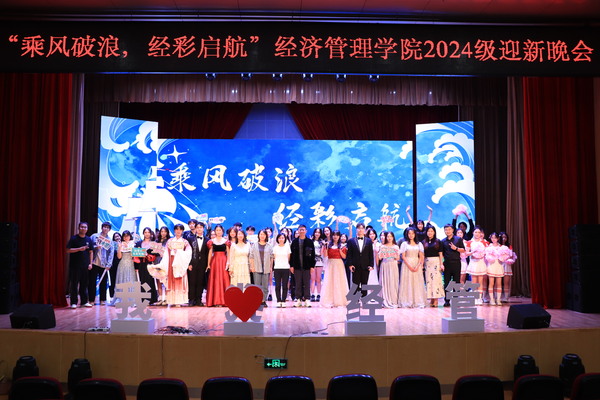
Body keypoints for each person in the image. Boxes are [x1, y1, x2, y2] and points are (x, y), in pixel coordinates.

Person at [66, 222, 95, 308]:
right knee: (74, 284)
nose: (83, 228)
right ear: (79, 228)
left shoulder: (88, 239)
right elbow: (67, 250)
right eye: (82, 227)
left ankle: (84, 302)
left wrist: (90, 263)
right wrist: (79, 249)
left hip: (85, 265)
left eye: (85, 227)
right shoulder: (74, 238)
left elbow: (91, 252)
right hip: (75, 265)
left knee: (84, 284)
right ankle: (73, 302)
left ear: (87, 229)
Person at [163, 224, 191, 306]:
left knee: (179, 280)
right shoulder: (170, 241)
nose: (178, 231)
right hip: (171, 262)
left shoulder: (185, 242)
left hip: (180, 263)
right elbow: (166, 253)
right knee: (171, 281)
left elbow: (189, 253)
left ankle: (179, 301)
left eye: (180, 229)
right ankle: (171, 300)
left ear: (182, 231)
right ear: (174, 231)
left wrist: (179, 252)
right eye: (177, 229)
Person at [399, 227, 426, 308]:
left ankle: (417, 301)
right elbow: (403, 256)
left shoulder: (419, 244)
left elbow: (421, 256)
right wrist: (410, 266)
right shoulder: (404, 244)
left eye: (412, 233)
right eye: (409, 233)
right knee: (407, 282)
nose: (411, 235)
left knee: (417, 282)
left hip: (417, 263)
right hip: (407, 264)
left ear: (415, 234)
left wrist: (418, 266)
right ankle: (407, 301)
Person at [320, 230, 348, 308]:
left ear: (339, 236)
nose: (335, 237)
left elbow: (344, 257)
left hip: (339, 264)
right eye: (334, 235)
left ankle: (339, 301)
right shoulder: (329, 245)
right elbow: (325, 255)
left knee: (339, 281)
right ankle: (330, 300)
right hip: (330, 264)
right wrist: (325, 247)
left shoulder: (342, 246)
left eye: (337, 235)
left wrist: (340, 249)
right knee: (330, 281)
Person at [346, 222, 374, 297]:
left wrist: (371, 265)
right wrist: (350, 265)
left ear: (364, 230)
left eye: (362, 228)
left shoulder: (369, 241)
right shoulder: (351, 241)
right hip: (355, 266)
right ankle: (356, 299)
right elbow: (349, 254)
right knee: (355, 283)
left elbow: (370, 254)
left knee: (365, 283)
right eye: (359, 228)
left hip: (365, 265)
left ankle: (364, 299)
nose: (360, 230)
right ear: (356, 229)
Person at [290, 225, 316, 307]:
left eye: (303, 230)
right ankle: (298, 299)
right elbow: (292, 255)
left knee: (307, 283)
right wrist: (291, 266)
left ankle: (307, 299)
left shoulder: (309, 242)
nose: (301, 231)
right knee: (298, 283)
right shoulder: (294, 242)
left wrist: (312, 266)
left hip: (307, 266)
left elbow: (313, 255)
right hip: (297, 266)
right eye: (300, 230)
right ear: (298, 231)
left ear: (306, 231)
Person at [441, 224, 465, 307]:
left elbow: (463, 250)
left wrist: (456, 248)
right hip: (447, 263)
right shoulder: (443, 241)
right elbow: (442, 254)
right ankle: (447, 300)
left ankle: (456, 300)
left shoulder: (458, 239)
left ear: (452, 230)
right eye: (446, 230)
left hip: (456, 263)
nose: (447, 231)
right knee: (446, 283)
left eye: (449, 229)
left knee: (456, 282)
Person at [89, 222, 113, 305]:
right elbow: (89, 247)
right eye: (104, 227)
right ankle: (91, 300)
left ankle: (102, 299)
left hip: (104, 264)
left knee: (103, 282)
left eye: (107, 227)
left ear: (109, 230)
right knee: (92, 281)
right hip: (94, 262)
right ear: (101, 227)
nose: (105, 229)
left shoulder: (109, 240)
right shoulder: (94, 236)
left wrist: (109, 264)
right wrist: (96, 247)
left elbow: (111, 253)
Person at [206, 224, 230, 307]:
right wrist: (208, 264)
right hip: (215, 261)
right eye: (217, 230)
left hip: (223, 261)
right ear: (215, 231)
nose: (218, 232)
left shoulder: (226, 241)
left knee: (224, 279)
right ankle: (215, 301)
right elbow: (210, 253)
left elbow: (228, 253)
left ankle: (225, 301)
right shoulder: (211, 241)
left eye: (220, 230)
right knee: (215, 280)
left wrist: (228, 263)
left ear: (222, 231)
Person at [187, 221, 209, 306]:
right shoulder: (190, 239)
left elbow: (208, 253)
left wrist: (207, 264)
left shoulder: (207, 240)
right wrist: (189, 264)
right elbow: (188, 252)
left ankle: (199, 300)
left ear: (203, 229)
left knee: (200, 282)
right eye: (197, 227)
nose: (199, 229)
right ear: (195, 229)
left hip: (203, 264)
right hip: (192, 263)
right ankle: (191, 299)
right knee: (192, 281)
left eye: (201, 227)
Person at [135, 227, 159, 305]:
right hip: (141, 264)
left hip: (150, 264)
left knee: (150, 281)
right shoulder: (138, 243)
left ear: (151, 233)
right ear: (143, 233)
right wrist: (140, 256)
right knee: (143, 281)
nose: (147, 234)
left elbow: (157, 254)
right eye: (145, 232)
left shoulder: (154, 243)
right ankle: (144, 299)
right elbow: (135, 254)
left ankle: (151, 299)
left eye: (148, 232)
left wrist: (149, 256)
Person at [250, 229, 274, 306]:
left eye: (264, 234)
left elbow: (271, 257)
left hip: (266, 268)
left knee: (265, 286)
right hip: (256, 268)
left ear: (266, 236)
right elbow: (251, 257)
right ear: (258, 235)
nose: (262, 236)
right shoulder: (254, 245)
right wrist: (252, 267)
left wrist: (270, 267)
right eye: (261, 234)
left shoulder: (269, 246)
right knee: (257, 286)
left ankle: (263, 300)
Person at [422, 226, 444, 307]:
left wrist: (441, 264)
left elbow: (440, 254)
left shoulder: (438, 241)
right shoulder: (424, 242)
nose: (430, 233)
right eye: (428, 231)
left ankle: (436, 300)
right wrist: (422, 264)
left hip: (436, 262)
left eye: (431, 231)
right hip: (427, 263)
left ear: (434, 232)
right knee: (429, 281)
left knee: (436, 281)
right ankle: (431, 299)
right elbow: (423, 255)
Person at [378, 231, 401, 308]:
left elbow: (397, 258)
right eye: (388, 236)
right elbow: (380, 257)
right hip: (385, 265)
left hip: (393, 265)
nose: (389, 238)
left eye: (391, 236)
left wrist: (391, 254)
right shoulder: (382, 246)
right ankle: (384, 299)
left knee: (393, 282)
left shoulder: (396, 247)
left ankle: (393, 299)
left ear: (393, 237)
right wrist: (382, 252)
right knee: (385, 282)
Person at [465, 227, 487, 305]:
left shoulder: (484, 242)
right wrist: (473, 253)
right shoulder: (469, 242)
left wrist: (482, 254)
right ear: (473, 233)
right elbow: (466, 253)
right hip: (473, 263)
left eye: (479, 232)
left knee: (480, 281)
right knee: (474, 282)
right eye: (476, 232)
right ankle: (474, 298)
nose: (477, 234)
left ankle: (479, 298)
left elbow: (487, 253)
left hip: (481, 262)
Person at [485, 232, 507, 306]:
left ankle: (498, 299)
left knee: (499, 283)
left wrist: (502, 258)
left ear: (498, 238)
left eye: (495, 238)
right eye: (492, 238)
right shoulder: (489, 247)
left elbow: (505, 256)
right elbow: (487, 257)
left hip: (499, 265)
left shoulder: (502, 247)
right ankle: (492, 299)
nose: (493, 239)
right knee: (491, 283)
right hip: (491, 265)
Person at [115, 230, 138, 296]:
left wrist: (131, 248)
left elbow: (134, 256)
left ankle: (131, 296)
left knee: (130, 279)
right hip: (122, 264)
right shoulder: (121, 244)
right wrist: (119, 248)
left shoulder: (133, 244)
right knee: (122, 279)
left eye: (127, 236)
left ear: (130, 236)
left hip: (131, 264)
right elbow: (119, 257)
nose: (126, 238)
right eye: (124, 236)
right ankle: (121, 296)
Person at [273, 233, 291, 307]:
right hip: (277, 268)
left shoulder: (287, 247)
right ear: (277, 239)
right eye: (280, 238)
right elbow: (274, 258)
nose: (281, 239)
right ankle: (278, 300)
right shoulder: (275, 247)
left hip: (285, 268)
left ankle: (283, 300)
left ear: (285, 239)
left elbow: (288, 258)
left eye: (282, 238)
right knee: (277, 285)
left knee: (285, 285)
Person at [499, 232, 517, 303]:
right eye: (502, 237)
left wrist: (506, 257)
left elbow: (511, 255)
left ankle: (506, 297)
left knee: (506, 282)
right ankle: (497, 297)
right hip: (499, 264)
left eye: (505, 237)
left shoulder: (509, 246)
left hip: (506, 264)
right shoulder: (498, 245)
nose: (504, 239)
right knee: (498, 282)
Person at [310, 228, 325, 302]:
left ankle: (319, 294)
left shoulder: (322, 242)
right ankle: (312, 294)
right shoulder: (311, 241)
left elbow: (321, 253)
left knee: (318, 279)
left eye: (319, 232)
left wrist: (323, 245)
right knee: (312, 279)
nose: (317, 234)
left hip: (319, 262)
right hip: (312, 262)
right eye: (316, 232)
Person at [108, 232, 121, 303]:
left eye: (118, 236)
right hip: (113, 265)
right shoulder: (112, 244)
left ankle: (120, 296)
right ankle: (112, 296)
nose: (117, 238)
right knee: (112, 280)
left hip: (121, 265)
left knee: (120, 281)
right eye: (115, 237)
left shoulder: (124, 244)